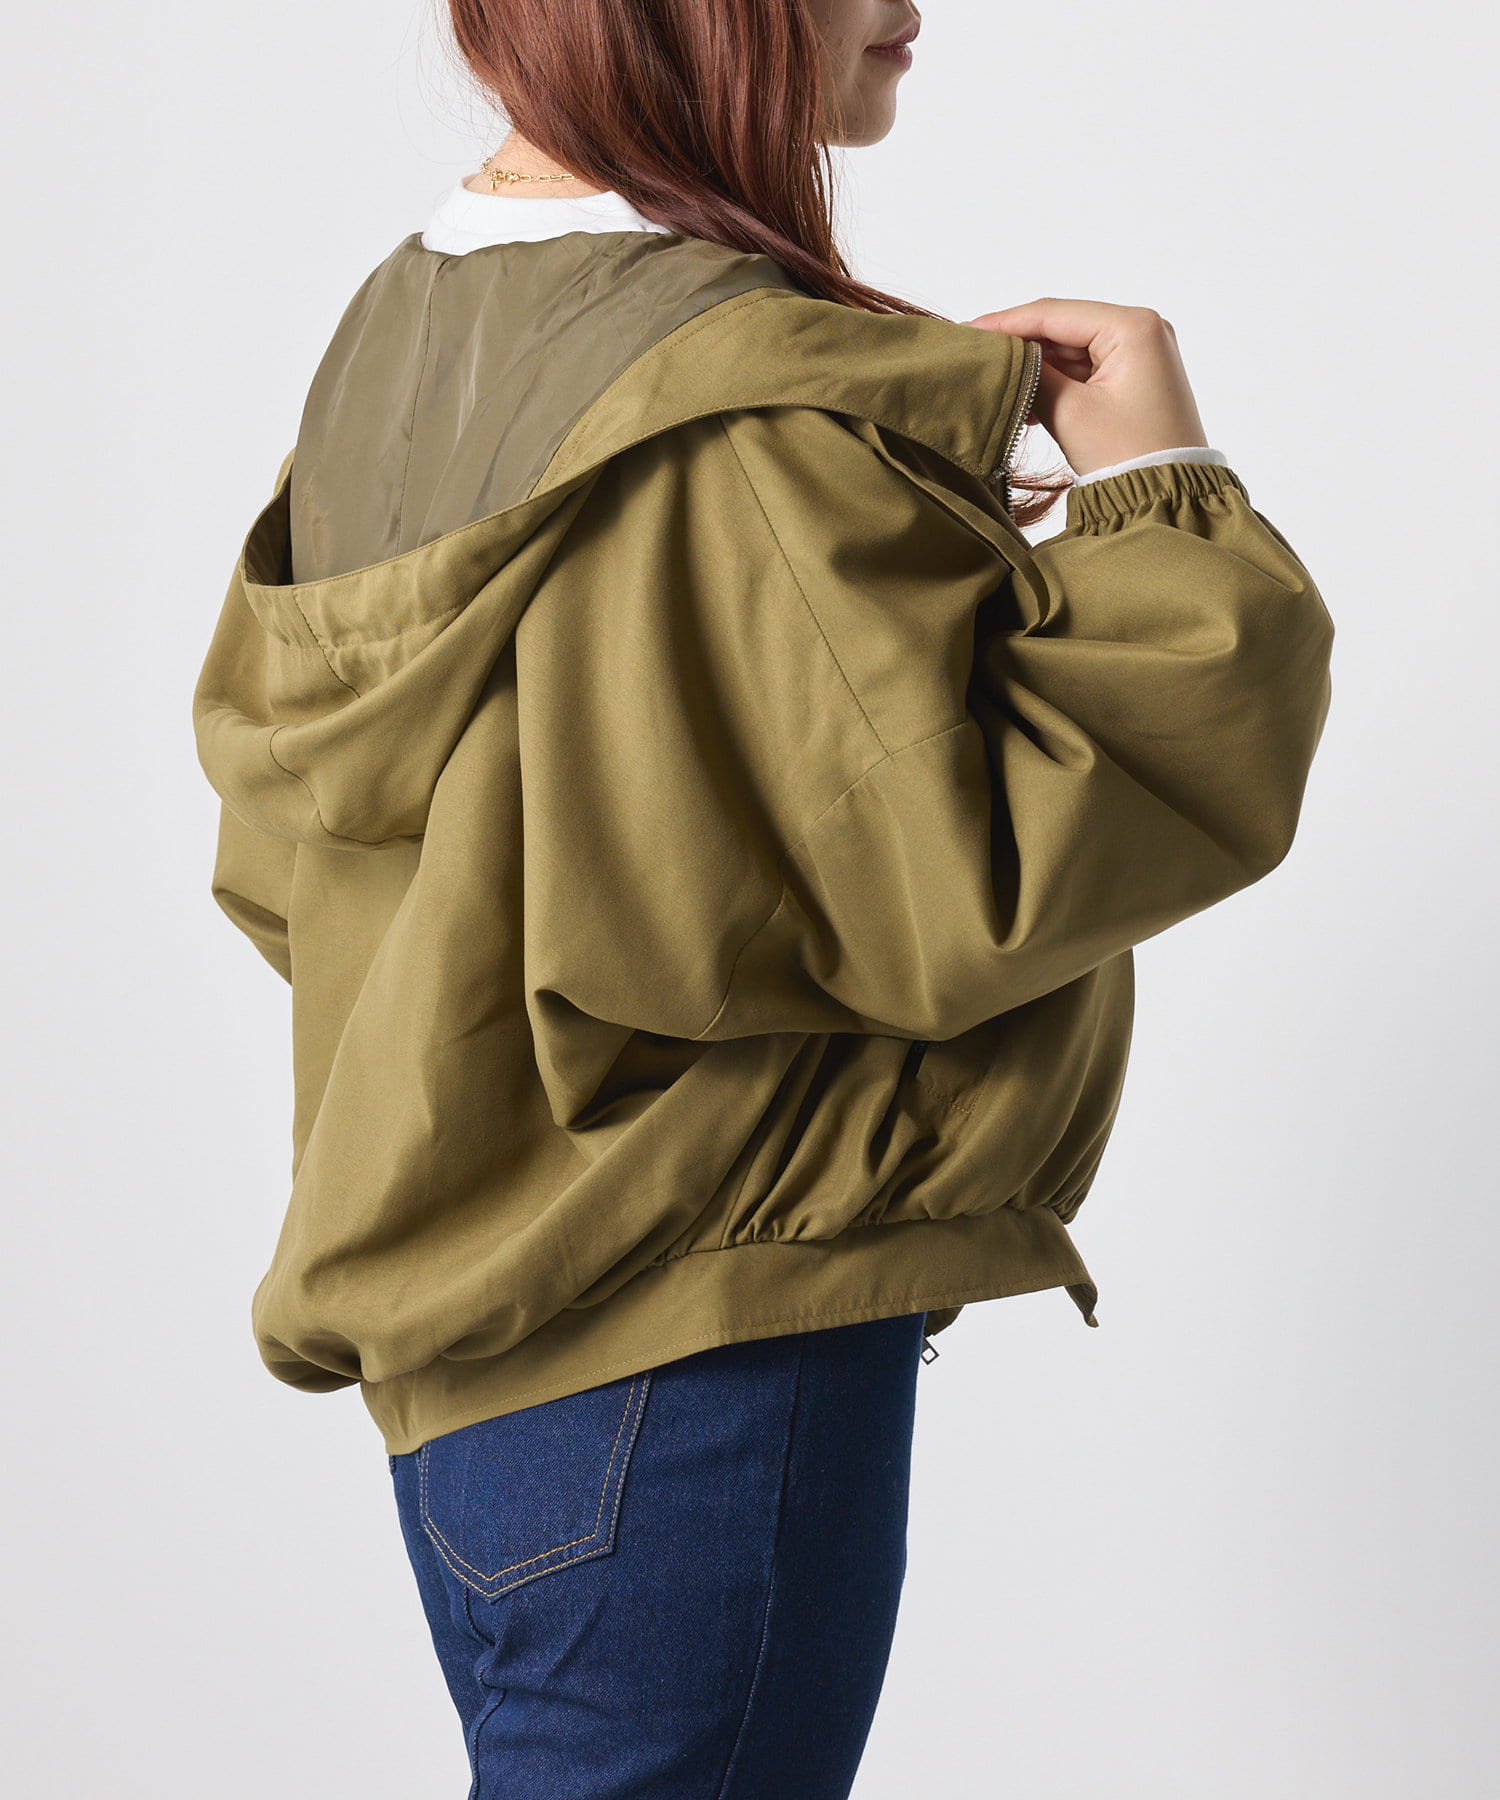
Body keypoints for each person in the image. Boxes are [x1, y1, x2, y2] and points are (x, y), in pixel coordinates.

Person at [190, 1, 1335, 1792]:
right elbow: (968, 880)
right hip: (693, 1356)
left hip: (478, 1372)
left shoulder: (405, 334)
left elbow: (293, 871)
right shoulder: (737, 410)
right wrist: (1158, 494)